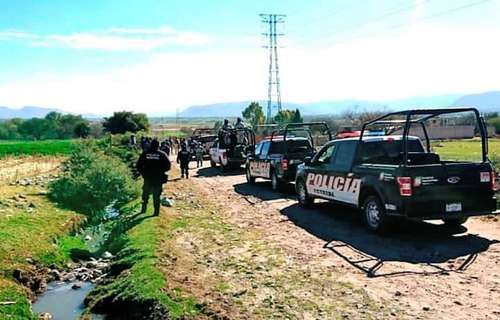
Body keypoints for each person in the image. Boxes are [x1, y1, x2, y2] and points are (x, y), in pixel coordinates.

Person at [136, 139, 171, 216]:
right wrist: (161, 170)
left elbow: (138, 165)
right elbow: (168, 166)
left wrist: (144, 173)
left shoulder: (145, 153)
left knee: (145, 194)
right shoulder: (162, 154)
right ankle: (156, 212)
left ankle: (143, 209)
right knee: (156, 195)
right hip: (158, 178)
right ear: (158, 146)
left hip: (148, 178)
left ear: (151, 145)